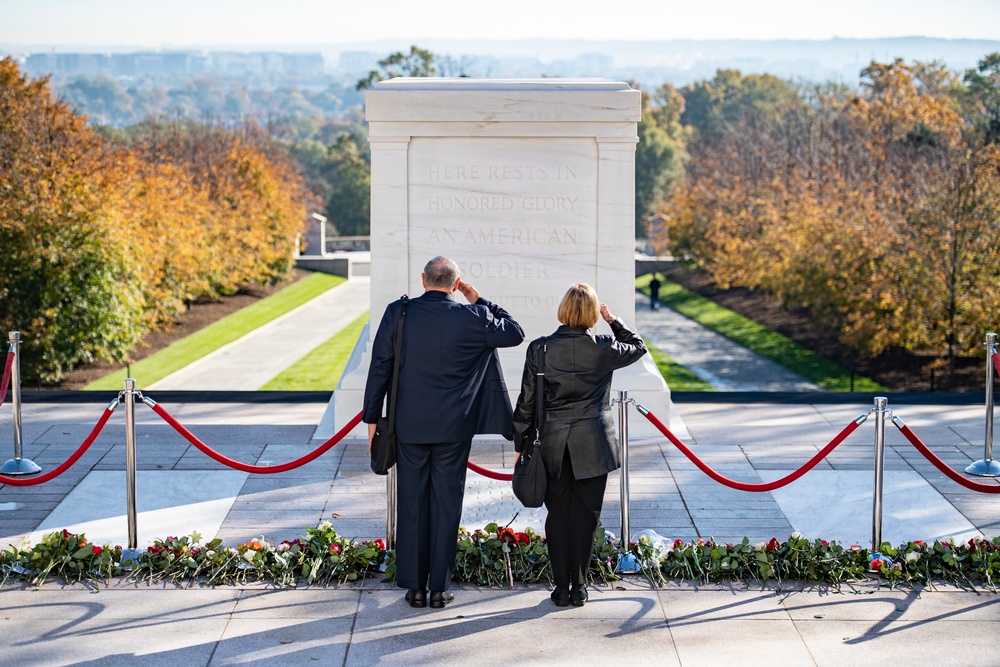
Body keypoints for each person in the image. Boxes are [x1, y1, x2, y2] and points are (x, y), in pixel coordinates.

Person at [363, 256, 524, 609]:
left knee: (413, 504)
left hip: (409, 425)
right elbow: (514, 331)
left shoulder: (399, 313)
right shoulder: (474, 316)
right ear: (455, 284)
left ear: (423, 280)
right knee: (447, 505)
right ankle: (439, 587)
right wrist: (478, 299)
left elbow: (380, 367)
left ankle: (414, 588)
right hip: (454, 428)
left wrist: (373, 419)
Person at [511, 283, 646, 607]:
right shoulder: (603, 347)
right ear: (590, 313)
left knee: (558, 515)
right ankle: (580, 586)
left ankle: (560, 587)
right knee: (586, 516)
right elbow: (637, 346)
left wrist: (520, 442)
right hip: (592, 445)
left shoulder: (540, 349)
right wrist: (613, 320)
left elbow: (526, 403)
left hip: (553, 445)